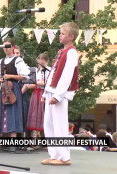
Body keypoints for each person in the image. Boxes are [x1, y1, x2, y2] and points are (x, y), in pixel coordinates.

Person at [40, 22, 79, 165]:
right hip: (51, 91)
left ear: (71, 37)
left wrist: (58, 95)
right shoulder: (61, 52)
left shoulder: (72, 52)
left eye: (62, 34)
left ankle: (64, 157)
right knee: (49, 125)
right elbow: (52, 74)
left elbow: (67, 75)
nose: (60, 36)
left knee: (60, 125)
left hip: (59, 94)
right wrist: (45, 92)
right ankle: (54, 154)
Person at [0, 38, 30, 139]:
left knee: (13, 113)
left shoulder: (18, 60)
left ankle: (13, 140)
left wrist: (10, 76)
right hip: (2, 89)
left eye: (8, 46)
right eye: (4, 46)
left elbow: (25, 76)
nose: (6, 49)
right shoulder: (1, 61)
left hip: (13, 88)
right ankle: (2, 140)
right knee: (2, 113)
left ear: (13, 48)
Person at [26, 53, 50, 138]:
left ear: (47, 62)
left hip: (44, 94)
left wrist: (35, 82)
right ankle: (35, 139)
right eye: (39, 64)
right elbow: (32, 84)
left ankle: (46, 141)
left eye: (43, 64)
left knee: (43, 116)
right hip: (36, 94)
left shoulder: (49, 71)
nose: (41, 66)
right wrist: (28, 84)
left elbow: (45, 83)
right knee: (36, 115)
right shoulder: (36, 71)